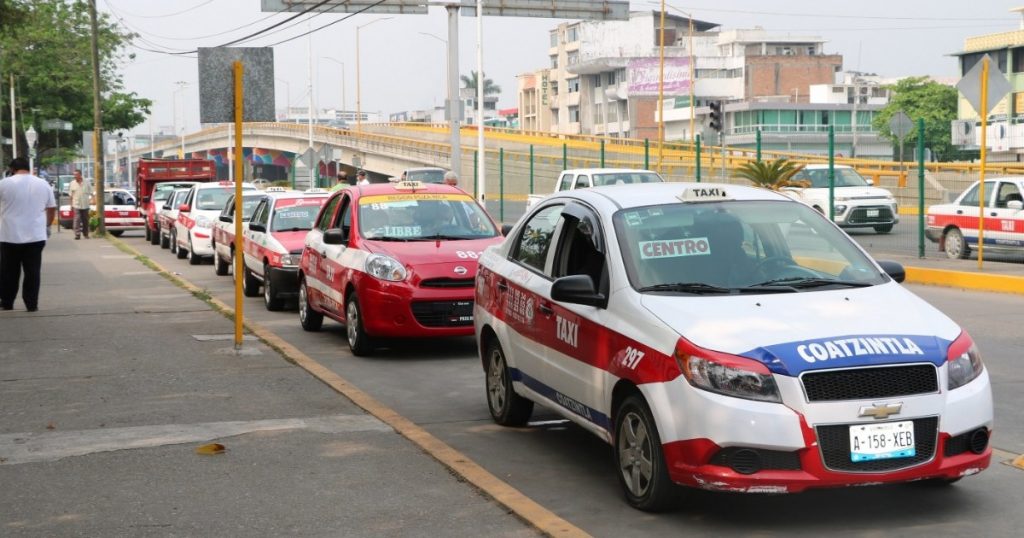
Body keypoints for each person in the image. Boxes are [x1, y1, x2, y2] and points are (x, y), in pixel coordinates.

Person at [0, 157, 57, 312]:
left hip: (8, 235)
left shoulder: (4, 184)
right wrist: (47, 225)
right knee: (32, 272)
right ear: (29, 168)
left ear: (12, 169)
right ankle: (31, 304)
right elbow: (51, 208)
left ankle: (7, 302)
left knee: (8, 271)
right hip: (35, 235)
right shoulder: (43, 184)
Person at [68, 169, 92, 239]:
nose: (75, 176)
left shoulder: (87, 182)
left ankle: (86, 234)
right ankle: (77, 234)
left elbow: (91, 192)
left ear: (80, 175)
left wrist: (92, 200)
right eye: (74, 175)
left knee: (85, 220)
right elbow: (71, 195)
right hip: (76, 204)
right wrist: (71, 205)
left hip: (85, 204)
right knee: (77, 219)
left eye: (76, 175)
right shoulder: (72, 183)